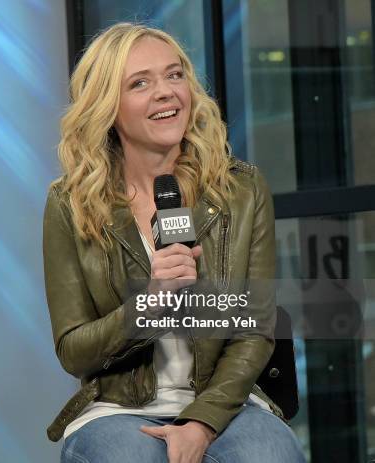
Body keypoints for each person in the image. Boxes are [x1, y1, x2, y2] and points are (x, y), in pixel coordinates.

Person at [43, 23, 305, 463]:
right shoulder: (70, 204)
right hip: (119, 407)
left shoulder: (241, 189)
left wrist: (201, 422)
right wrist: (150, 302)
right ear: (108, 106)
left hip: (224, 400)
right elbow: (74, 349)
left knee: (271, 455)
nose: (165, 92)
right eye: (140, 83)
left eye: (174, 75)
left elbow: (255, 330)